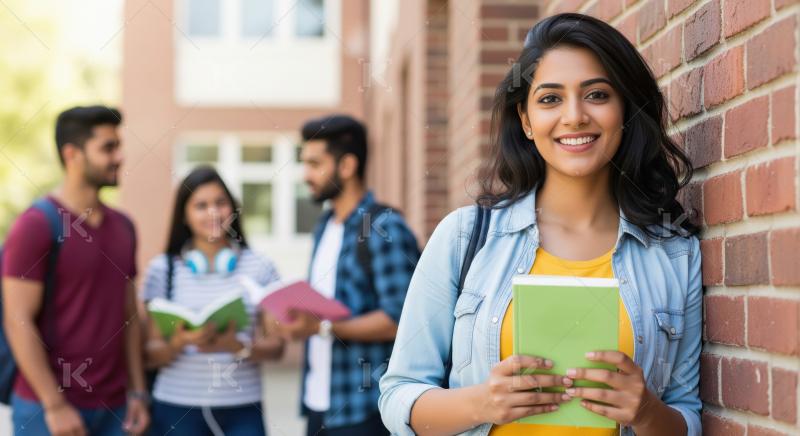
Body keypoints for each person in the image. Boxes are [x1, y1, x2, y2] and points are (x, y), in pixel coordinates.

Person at [379, 13, 702, 436]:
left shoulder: (675, 253)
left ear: (625, 110)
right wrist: (481, 402)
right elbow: (399, 394)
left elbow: (687, 417)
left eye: (597, 95)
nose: (574, 116)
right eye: (550, 99)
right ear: (527, 121)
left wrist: (645, 412)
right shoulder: (464, 237)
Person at [2, 106, 149, 435]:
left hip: (116, 410)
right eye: (108, 148)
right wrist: (55, 406)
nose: (119, 157)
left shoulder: (124, 227)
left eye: (119, 146)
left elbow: (129, 315)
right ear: (73, 154)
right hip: (46, 411)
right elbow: (18, 319)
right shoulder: (36, 226)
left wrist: (138, 391)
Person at [278, 115, 420, 436]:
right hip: (319, 403)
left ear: (347, 166)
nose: (306, 175)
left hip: (365, 408)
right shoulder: (324, 227)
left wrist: (323, 327)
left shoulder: (384, 228)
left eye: (315, 164)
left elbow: (402, 321)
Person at [139, 166, 285, 435]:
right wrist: (180, 342)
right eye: (201, 206)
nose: (213, 213)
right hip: (176, 407)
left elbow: (277, 347)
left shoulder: (260, 267)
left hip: (243, 408)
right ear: (184, 214)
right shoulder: (162, 270)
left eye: (221, 203)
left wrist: (236, 346)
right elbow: (149, 354)